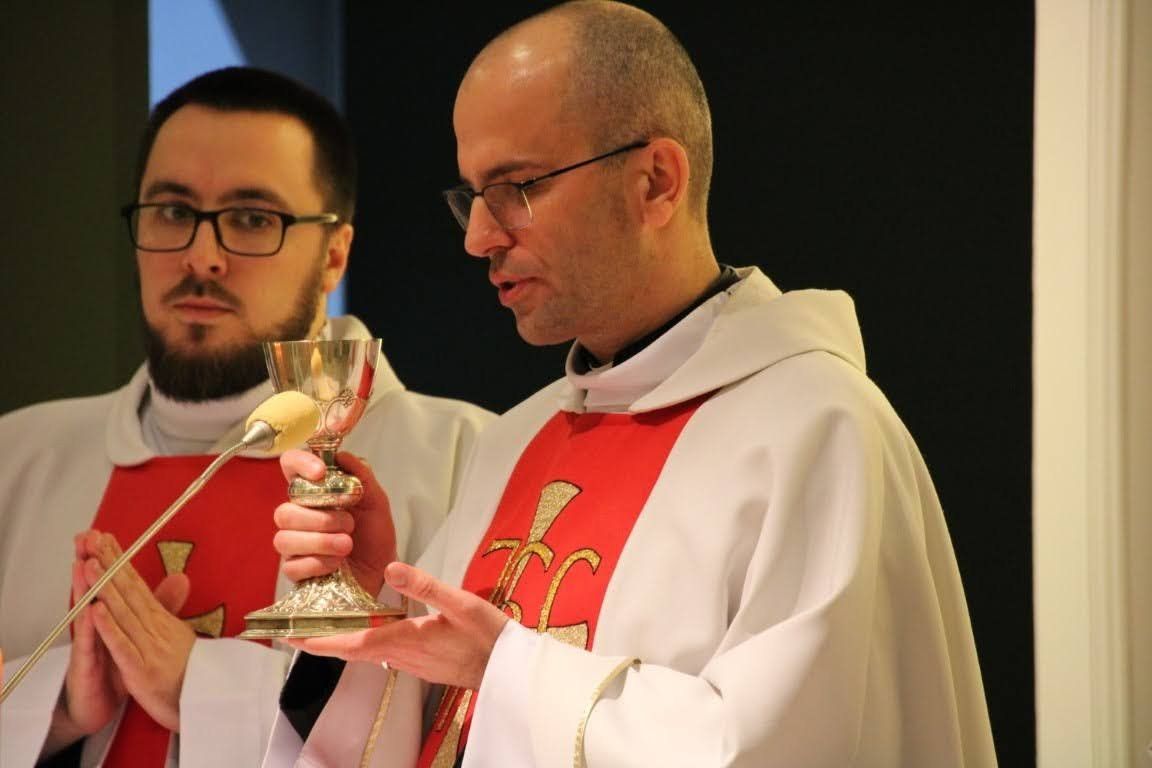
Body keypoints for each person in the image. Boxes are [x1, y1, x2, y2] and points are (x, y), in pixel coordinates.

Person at [263, 2, 998, 766]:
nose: (479, 237)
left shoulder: (817, 432)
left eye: (517, 187)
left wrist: (509, 669)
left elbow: (782, 748)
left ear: (655, 182)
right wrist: (374, 601)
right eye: (471, 196)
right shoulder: (514, 441)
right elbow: (435, 731)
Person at [0, 67, 493, 767]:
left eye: (253, 219)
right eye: (172, 212)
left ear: (335, 256)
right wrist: (53, 706)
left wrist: (203, 686)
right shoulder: (16, 461)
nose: (202, 257)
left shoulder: (469, 460)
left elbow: (485, 735)